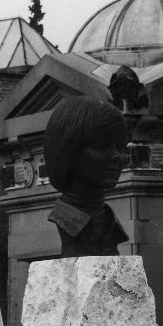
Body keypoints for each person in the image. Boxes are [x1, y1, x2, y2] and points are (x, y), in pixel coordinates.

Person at [43, 97, 129, 257]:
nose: (116, 156)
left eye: (121, 147)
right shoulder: (66, 220)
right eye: (102, 146)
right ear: (68, 150)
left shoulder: (110, 224)